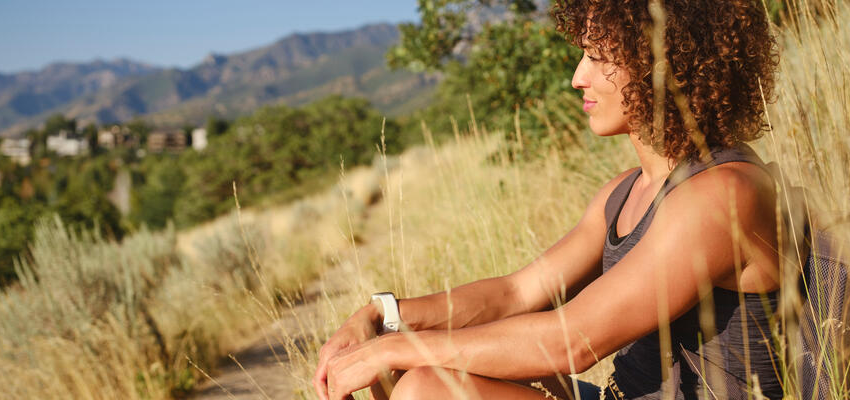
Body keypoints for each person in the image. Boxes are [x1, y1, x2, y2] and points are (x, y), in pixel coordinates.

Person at [314, 0, 784, 398]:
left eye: (601, 57)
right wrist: (383, 318)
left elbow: (571, 343)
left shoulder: (722, 195)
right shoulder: (625, 192)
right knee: (418, 367)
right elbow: (516, 294)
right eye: (584, 54)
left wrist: (394, 349)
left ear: (668, 61)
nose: (579, 77)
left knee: (426, 389)